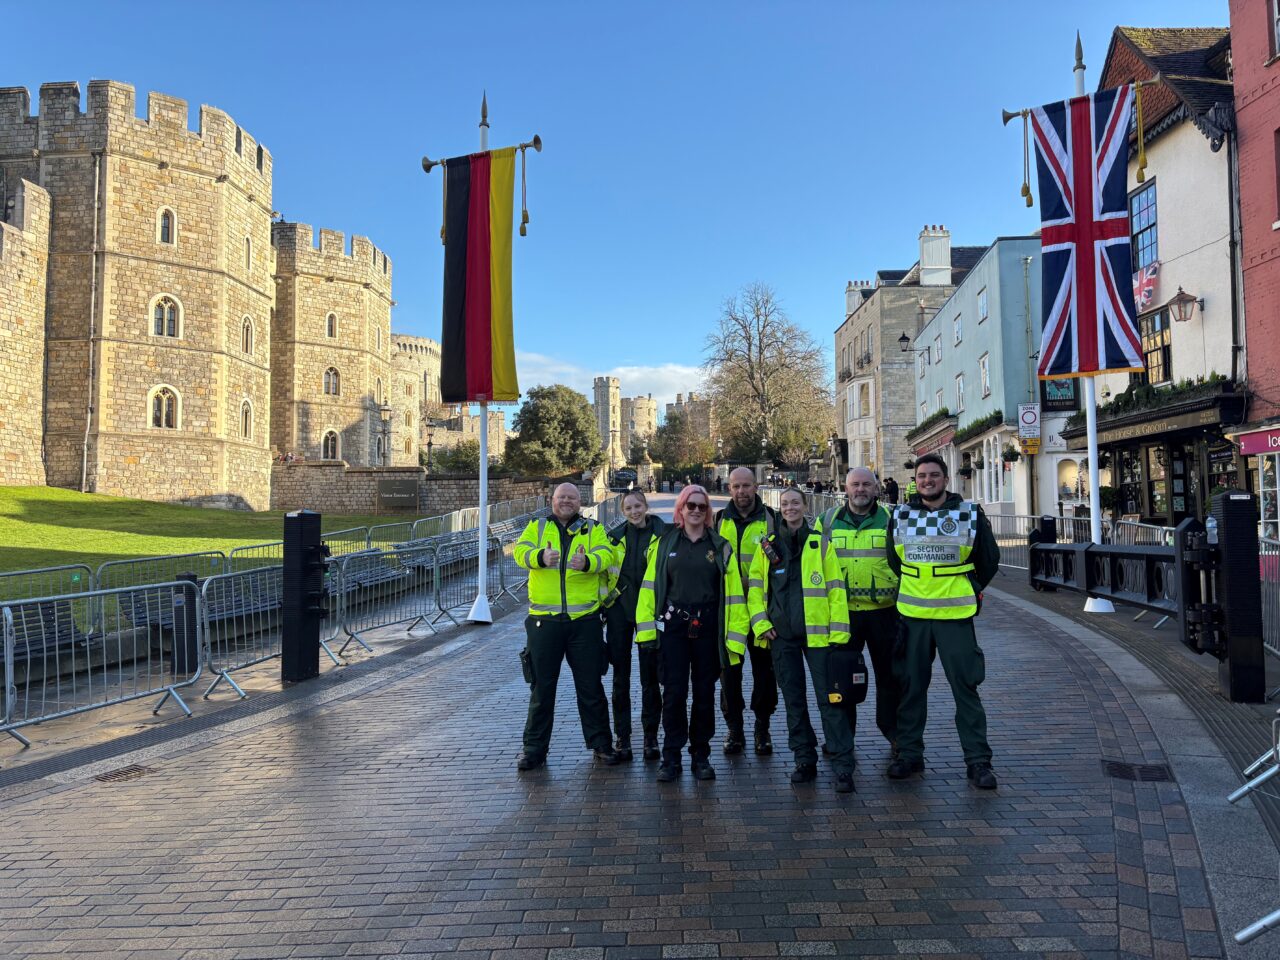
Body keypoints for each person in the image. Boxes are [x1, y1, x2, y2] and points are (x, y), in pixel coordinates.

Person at [885, 453, 1000, 789]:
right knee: (911, 688)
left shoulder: (968, 514)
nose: (927, 481)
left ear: (946, 479)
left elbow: (989, 559)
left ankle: (978, 761)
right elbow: (895, 560)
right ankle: (908, 753)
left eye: (934, 475)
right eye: (921, 476)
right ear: (915, 481)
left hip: (955, 616)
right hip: (914, 616)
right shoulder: (901, 514)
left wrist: (971, 586)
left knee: (966, 689)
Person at [636, 485, 749, 782]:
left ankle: (701, 755)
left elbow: (735, 595)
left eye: (702, 506)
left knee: (704, 694)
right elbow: (649, 589)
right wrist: (647, 634)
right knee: (673, 694)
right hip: (673, 627)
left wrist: (735, 639)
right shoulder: (664, 543)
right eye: (691, 506)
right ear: (681, 510)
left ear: (708, 511)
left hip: (709, 629)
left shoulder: (721, 546)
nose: (696, 511)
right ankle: (671, 757)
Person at [746, 488, 856, 793]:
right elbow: (755, 589)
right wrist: (760, 622)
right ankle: (804, 759)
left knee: (830, 701)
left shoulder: (819, 543)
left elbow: (835, 588)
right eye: (785, 504)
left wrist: (840, 632)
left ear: (805, 506)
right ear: (779, 509)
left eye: (795, 502)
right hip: (781, 636)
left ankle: (843, 764)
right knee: (794, 702)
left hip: (820, 637)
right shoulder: (766, 546)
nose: (790, 508)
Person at [512, 483, 620, 772]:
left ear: (580, 501)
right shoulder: (536, 527)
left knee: (590, 687)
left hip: (584, 621)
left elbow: (608, 557)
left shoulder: (593, 529)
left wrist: (588, 562)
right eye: (561, 497)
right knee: (541, 689)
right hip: (543, 621)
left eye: (572, 498)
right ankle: (533, 749)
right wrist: (539, 557)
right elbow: (519, 553)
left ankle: (601, 744)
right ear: (552, 501)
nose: (566, 502)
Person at [813, 467, 902, 759]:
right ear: (845, 488)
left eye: (866, 484)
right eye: (855, 485)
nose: (860, 489)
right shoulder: (826, 522)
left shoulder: (893, 520)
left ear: (876, 489)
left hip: (885, 614)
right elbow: (812, 566)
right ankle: (842, 738)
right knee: (841, 680)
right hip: (843, 616)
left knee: (890, 678)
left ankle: (894, 734)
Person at [713, 466, 780, 754]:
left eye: (746, 486)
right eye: (736, 486)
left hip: (761, 610)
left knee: (765, 673)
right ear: (729, 489)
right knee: (730, 674)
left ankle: (762, 727)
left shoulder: (771, 519)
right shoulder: (718, 519)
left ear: (756, 486)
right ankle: (734, 728)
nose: (741, 492)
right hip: (729, 611)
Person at [603, 489, 667, 762]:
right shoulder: (614, 538)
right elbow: (604, 574)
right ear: (622, 511)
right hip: (620, 612)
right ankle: (623, 737)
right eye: (628, 508)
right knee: (621, 679)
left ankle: (650, 737)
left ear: (645, 506)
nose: (634, 511)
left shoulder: (663, 536)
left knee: (650, 679)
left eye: (637, 506)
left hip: (649, 614)